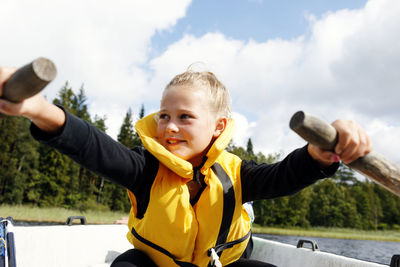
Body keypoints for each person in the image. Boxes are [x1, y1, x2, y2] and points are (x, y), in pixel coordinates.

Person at [0, 66, 372, 267]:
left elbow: (285, 175)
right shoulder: (145, 168)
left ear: (218, 128)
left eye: (185, 116)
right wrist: (40, 109)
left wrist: (320, 154)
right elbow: (95, 149)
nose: (169, 126)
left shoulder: (238, 175)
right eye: (164, 115)